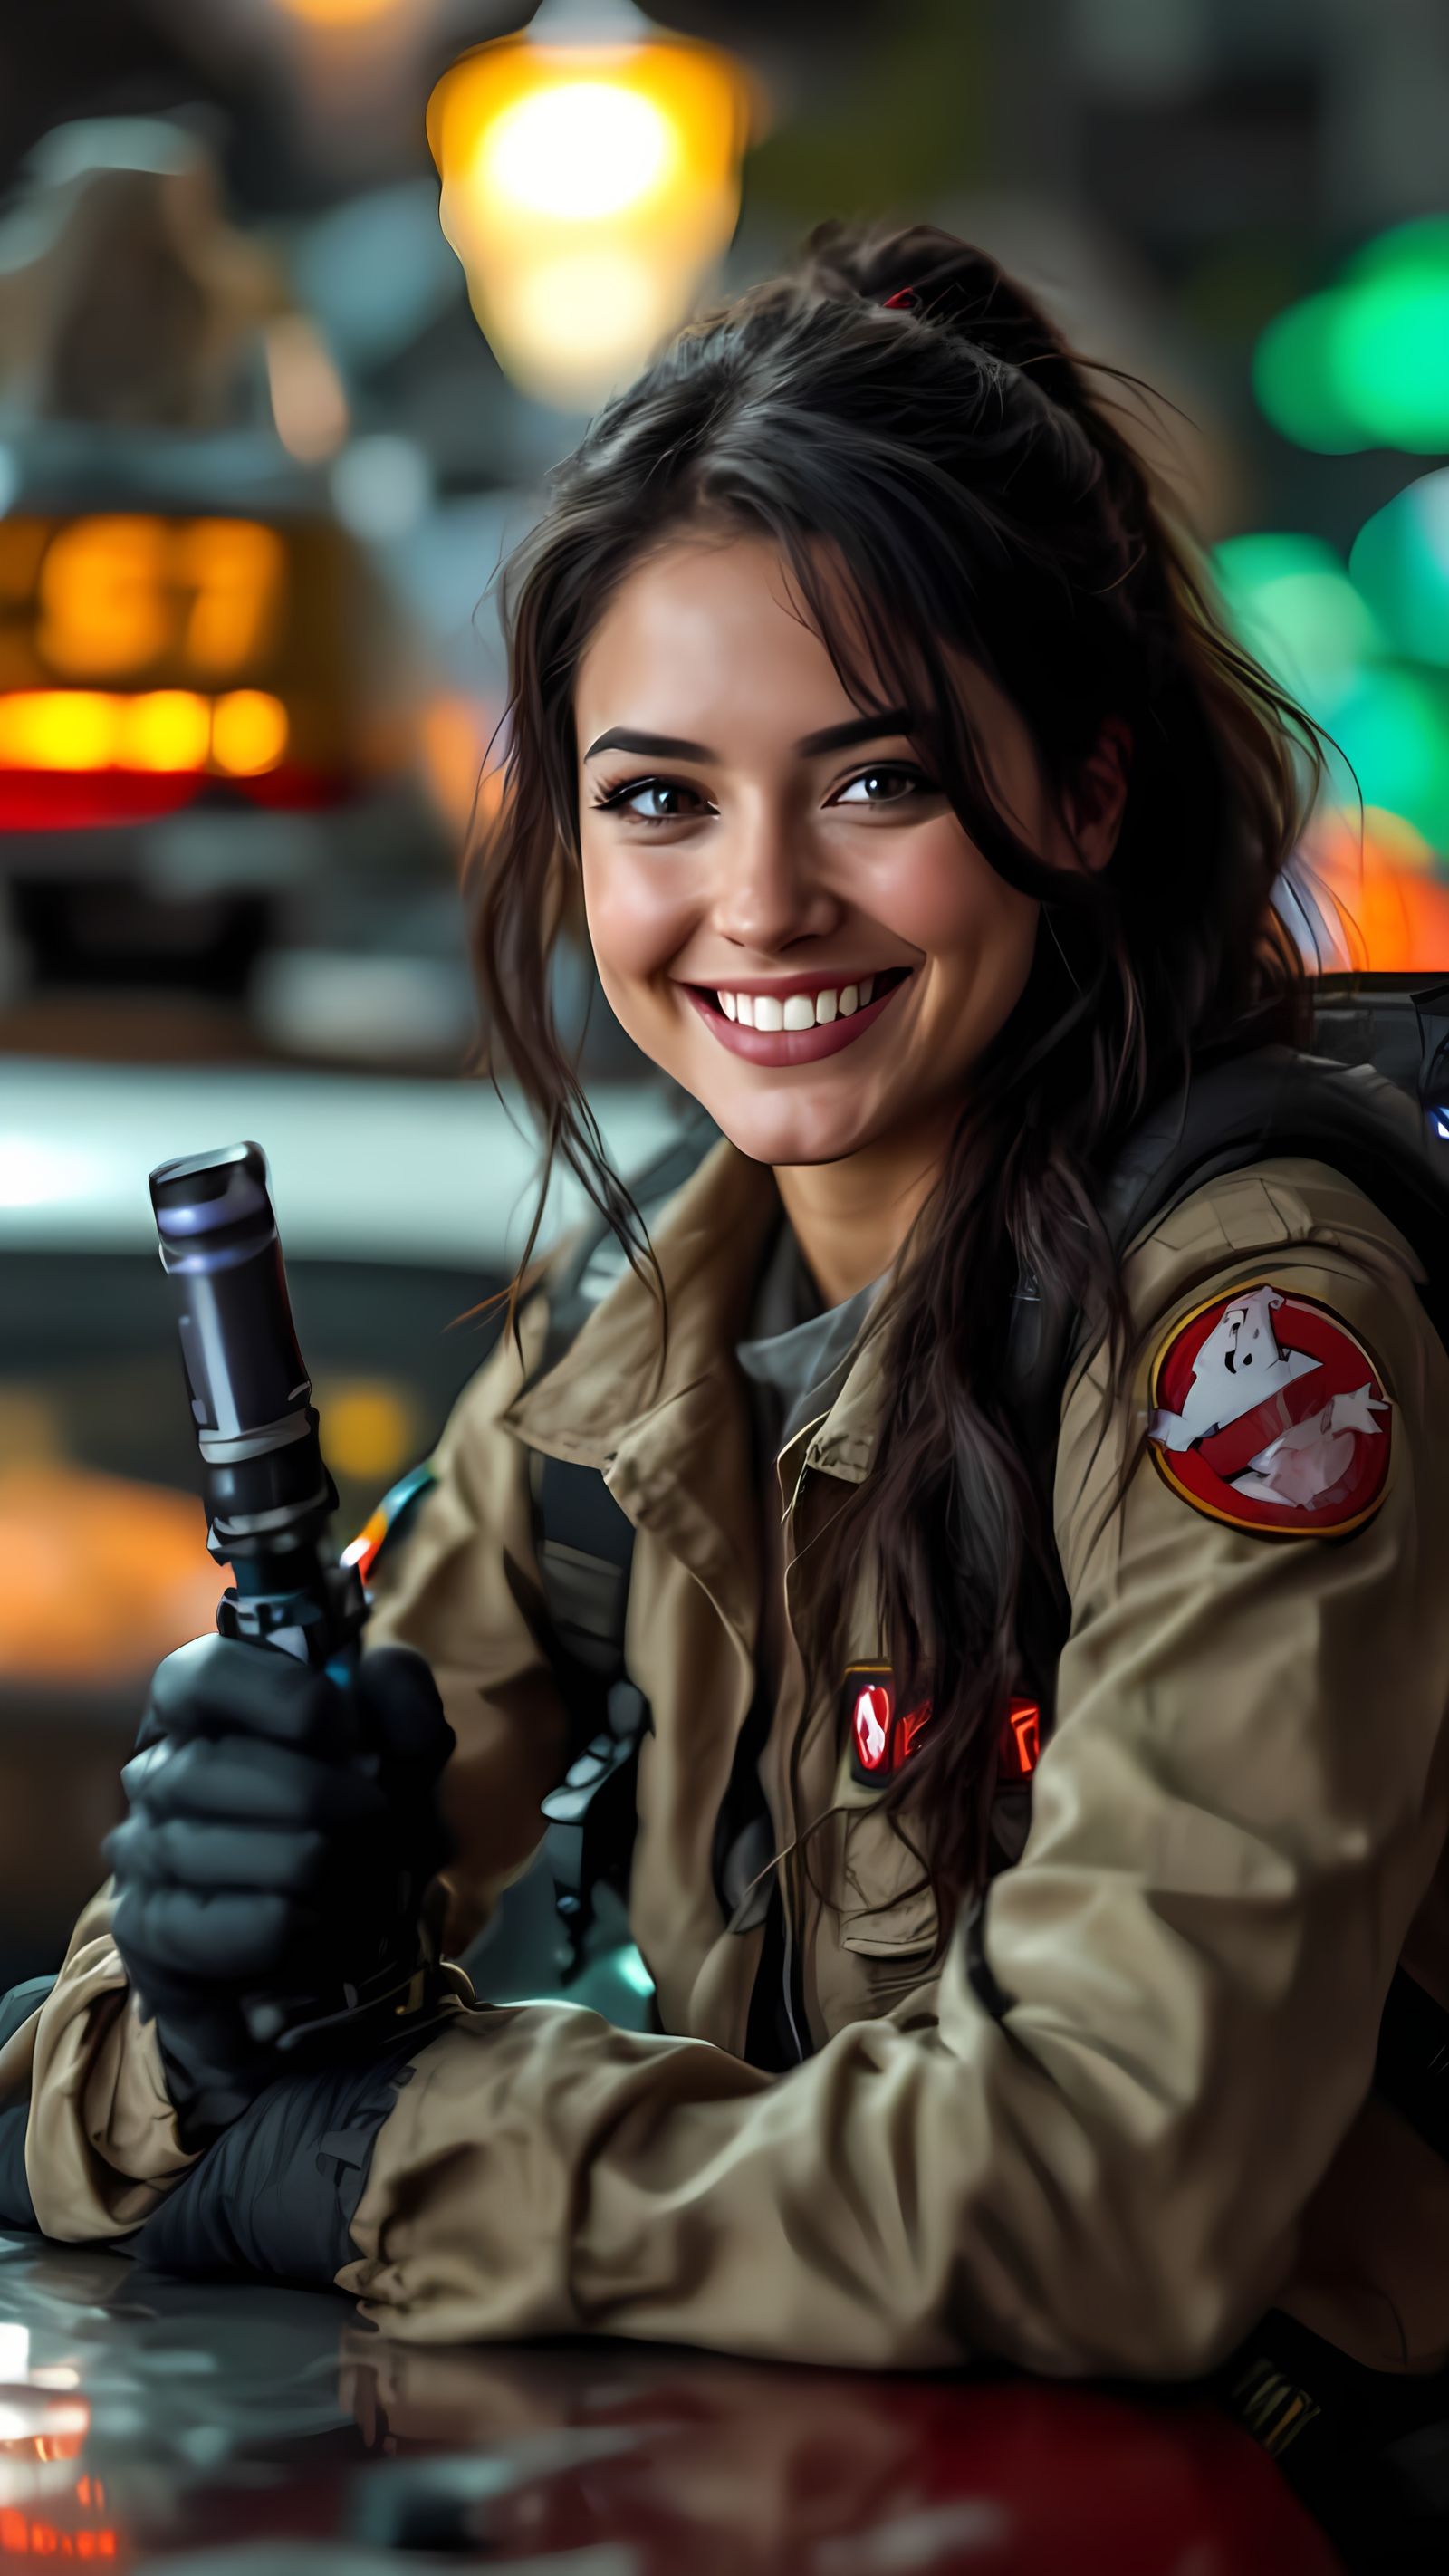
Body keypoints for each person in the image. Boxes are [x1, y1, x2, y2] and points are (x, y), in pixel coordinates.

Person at [5, 220, 1449, 2552]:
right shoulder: (628, 1339)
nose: (756, 906)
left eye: (870, 783)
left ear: (1080, 795)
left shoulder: (1253, 1331)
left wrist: (397, 2144)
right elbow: (66, 2124)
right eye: (658, 798)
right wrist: (197, 1979)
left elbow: (1105, 2203)